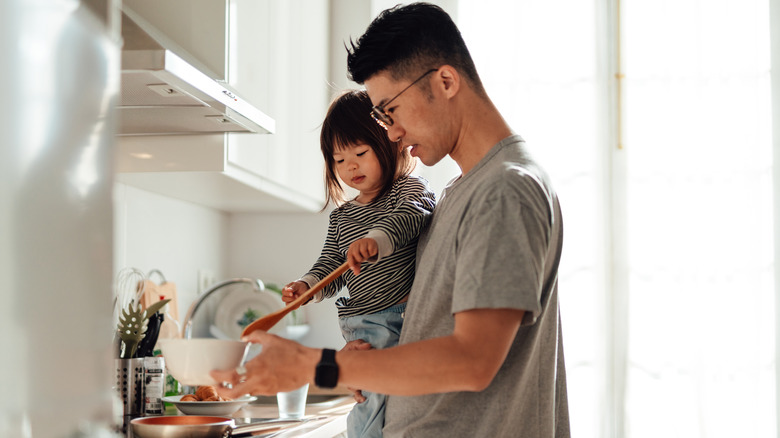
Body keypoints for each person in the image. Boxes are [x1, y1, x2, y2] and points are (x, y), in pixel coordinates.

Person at [213, 3, 570, 437]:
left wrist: (319, 365)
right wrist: (366, 362)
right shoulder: (464, 191)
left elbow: (472, 361)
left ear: (445, 81)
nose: (391, 132)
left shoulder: (503, 190)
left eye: (390, 111)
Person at [279, 89, 436, 438]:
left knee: (382, 402)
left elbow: (413, 215)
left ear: (391, 143)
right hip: (361, 324)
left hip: (396, 316)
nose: (350, 166)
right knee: (372, 402)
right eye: (338, 160)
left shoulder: (409, 189)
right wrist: (308, 287)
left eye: (360, 153)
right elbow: (330, 264)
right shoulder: (342, 218)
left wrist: (377, 241)